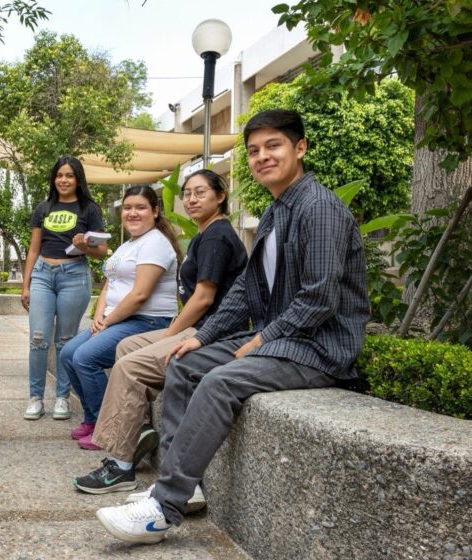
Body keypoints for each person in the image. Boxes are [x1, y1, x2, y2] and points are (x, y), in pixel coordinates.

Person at [95, 109, 369, 544]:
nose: (262, 157)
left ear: (300, 148)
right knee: (183, 363)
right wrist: (201, 335)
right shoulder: (278, 211)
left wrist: (262, 339)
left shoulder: (318, 208)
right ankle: (184, 486)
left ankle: (162, 512)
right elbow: (243, 289)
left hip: (317, 348)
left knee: (220, 382)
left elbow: (319, 298)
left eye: (273, 146)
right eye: (254, 150)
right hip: (282, 339)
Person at [73, 169, 247, 495]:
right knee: (126, 346)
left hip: (211, 333)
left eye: (201, 193)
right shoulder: (206, 234)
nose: (192, 200)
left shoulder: (217, 237)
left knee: (129, 365)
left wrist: (170, 333)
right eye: (188, 194)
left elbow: (204, 299)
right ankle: (134, 431)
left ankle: (121, 467)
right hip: (197, 326)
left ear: (220, 196)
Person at [60, 185, 181, 442]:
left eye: (140, 208)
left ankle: (110, 429)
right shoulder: (129, 244)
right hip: (117, 320)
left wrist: (107, 322)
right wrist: (98, 316)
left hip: (147, 321)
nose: (132, 213)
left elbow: (140, 295)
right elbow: (110, 282)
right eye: (127, 208)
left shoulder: (155, 243)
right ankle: (94, 419)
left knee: (84, 358)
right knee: (68, 354)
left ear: (155, 211)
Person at [21, 156, 107, 421]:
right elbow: (34, 248)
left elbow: (101, 251)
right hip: (43, 274)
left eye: (69, 175)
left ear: (78, 179)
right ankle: (35, 398)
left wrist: (85, 247)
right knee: (38, 339)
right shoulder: (43, 207)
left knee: (65, 341)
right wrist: (26, 285)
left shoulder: (89, 208)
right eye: (59, 175)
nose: (64, 180)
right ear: (53, 178)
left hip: (74, 275)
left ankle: (62, 398)